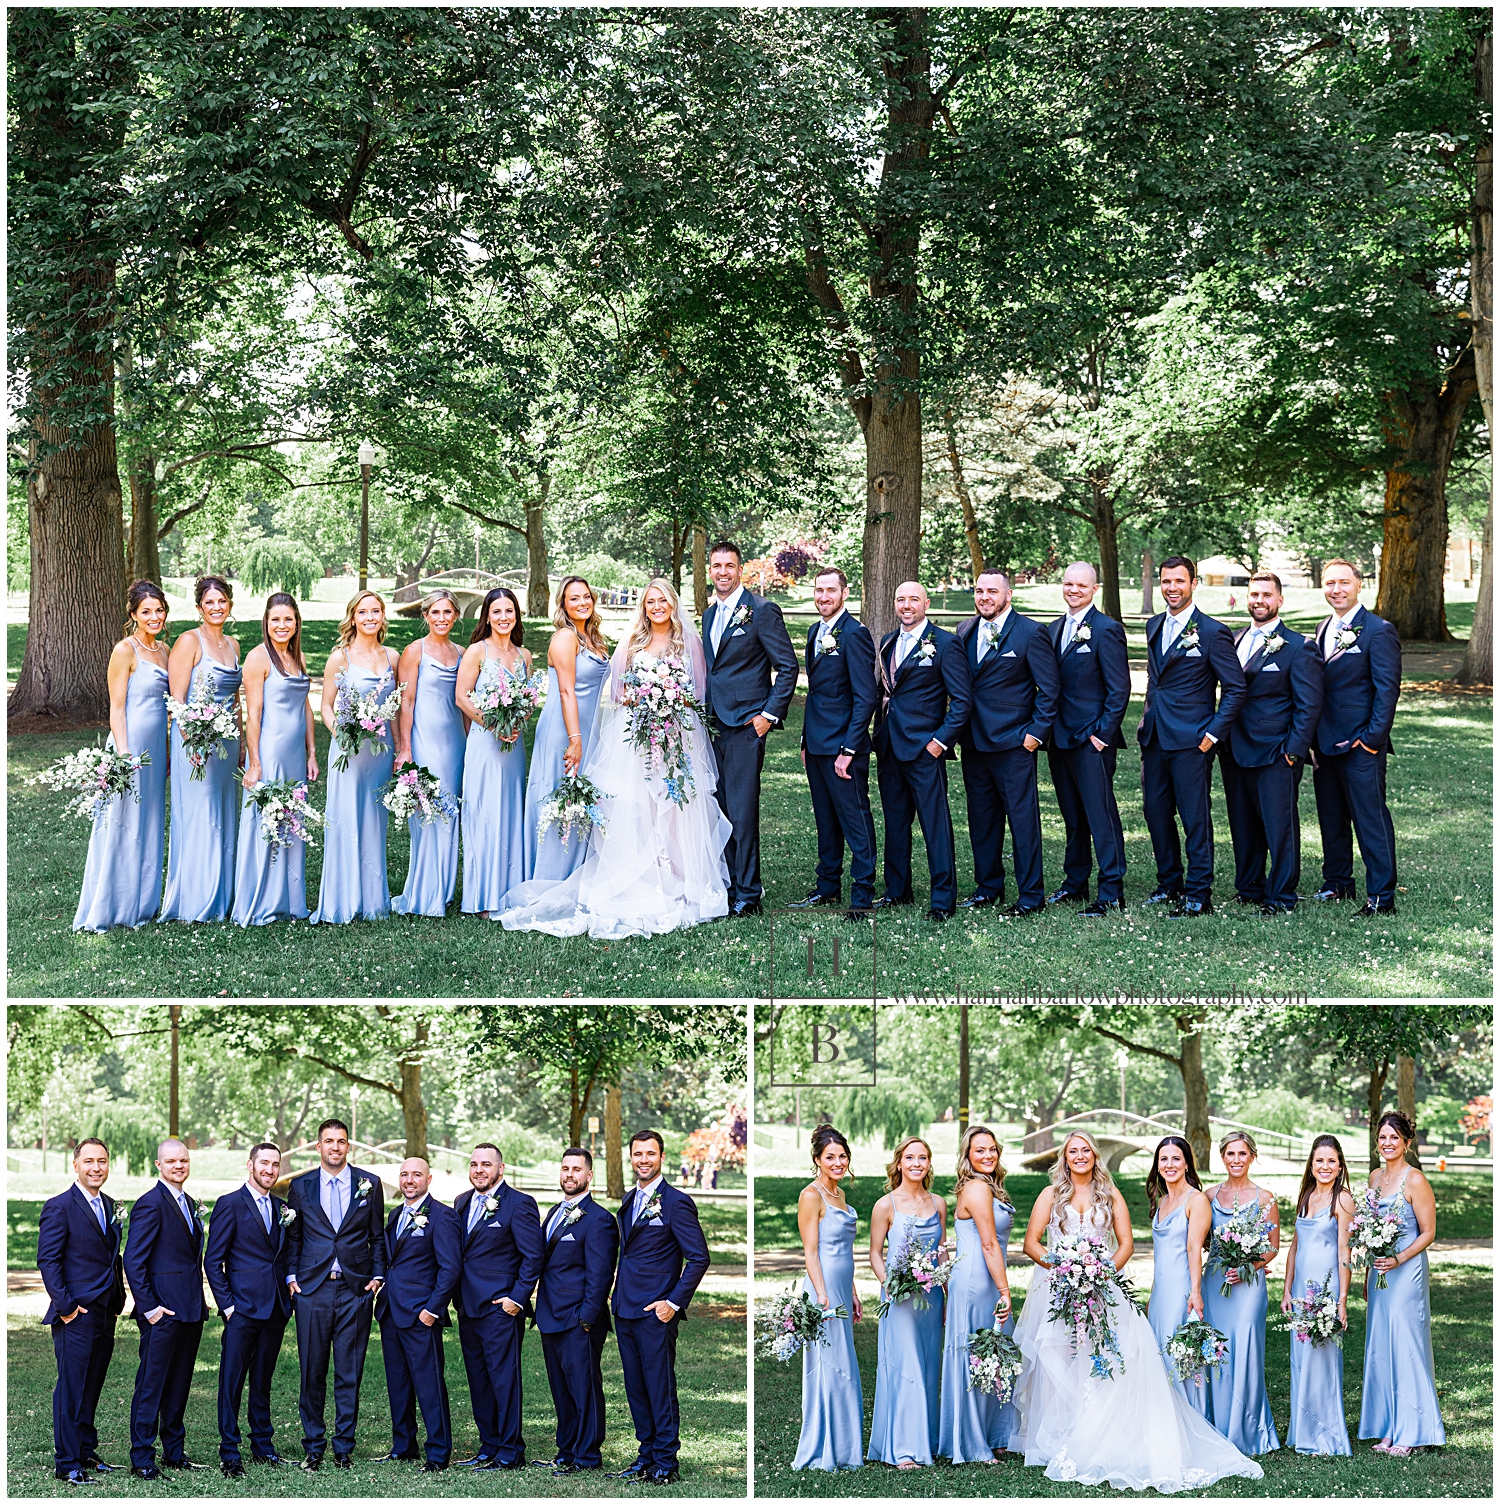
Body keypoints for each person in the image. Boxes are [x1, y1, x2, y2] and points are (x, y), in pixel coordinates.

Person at [1010, 1131, 1262, 1492]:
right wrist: (1064, 1268)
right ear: (1065, 1158)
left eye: (1086, 1151)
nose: (1080, 1156)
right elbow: (1031, 1242)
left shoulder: (1109, 1195)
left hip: (1103, 1284)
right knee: (1061, 1357)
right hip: (1060, 1287)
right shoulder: (1050, 1195)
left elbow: (1125, 1244)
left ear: (1096, 1156)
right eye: (1073, 1152)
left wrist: (1099, 1274)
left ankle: (1098, 1431)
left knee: (1107, 1358)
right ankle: (1059, 1436)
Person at [496, 579, 732, 937]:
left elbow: (697, 693)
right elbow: (619, 691)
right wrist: (648, 697)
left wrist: (668, 701)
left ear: (672, 603)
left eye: (662, 600)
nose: (656, 607)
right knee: (634, 806)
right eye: (650, 601)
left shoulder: (687, 643)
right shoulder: (629, 641)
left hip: (674, 736)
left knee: (675, 807)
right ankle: (638, 875)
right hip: (635, 737)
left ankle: (679, 876)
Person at [1137, 555, 1246, 917]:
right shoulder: (1153, 625)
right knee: (1155, 813)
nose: (1172, 588)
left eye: (1179, 581)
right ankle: (1169, 883)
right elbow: (1158, 681)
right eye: (1166, 581)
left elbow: (1235, 689)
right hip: (1154, 737)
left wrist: (1212, 734)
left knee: (1194, 818)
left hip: (1192, 740)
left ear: (1193, 583)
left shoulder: (1213, 632)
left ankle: (1199, 893)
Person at [953, 568, 1059, 915]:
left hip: (1014, 744)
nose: (985, 597)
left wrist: (1034, 735)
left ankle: (1031, 895)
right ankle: (988, 887)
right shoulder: (965, 630)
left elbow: (1050, 690)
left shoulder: (1030, 633)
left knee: (1022, 821)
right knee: (982, 820)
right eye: (979, 591)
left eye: (992, 591)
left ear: (1008, 595)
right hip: (973, 742)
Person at [283, 1118, 387, 1469]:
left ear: (348, 1146)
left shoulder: (369, 1184)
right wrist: (291, 1276)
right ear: (318, 1146)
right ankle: (314, 1445)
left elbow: (377, 1235)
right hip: (312, 1290)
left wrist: (377, 1275)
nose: (335, 1147)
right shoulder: (300, 1186)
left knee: (349, 1372)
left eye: (341, 1141)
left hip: (355, 1290)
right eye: (329, 1141)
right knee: (312, 1371)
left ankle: (343, 1447)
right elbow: (294, 1236)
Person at [609, 1129, 711, 1485]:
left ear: (662, 1157)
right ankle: (646, 1455)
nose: (643, 1160)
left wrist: (672, 1302)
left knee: (659, 1386)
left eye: (650, 1154)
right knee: (636, 1388)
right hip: (624, 1308)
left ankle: (667, 1462)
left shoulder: (676, 1202)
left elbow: (699, 1258)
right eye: (637, 1154)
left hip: (655, 1312)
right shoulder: (628, 1198)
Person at [702, 540, 798, 915]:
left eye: (729, 565)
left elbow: (787, 667)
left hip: (745, 725)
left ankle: (748, 893)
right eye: (716, 566)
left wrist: (767, 716)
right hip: (714, 725)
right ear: (710, 570)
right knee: (722, 809)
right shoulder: (710, 616)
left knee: (742, 812)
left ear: (741, 569)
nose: (722, 572)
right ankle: (728, 885)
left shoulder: (761, 610)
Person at [1219, 572, 1323, 915]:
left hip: (1275, 750)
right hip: (1234, 748)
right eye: (1253, 594)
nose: (1259, 600)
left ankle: (1281, 896)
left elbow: (1308, 705)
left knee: (1279, 826)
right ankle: (1249, 887)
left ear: (1279, 600)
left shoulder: (1298, 645)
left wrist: (1293, 751)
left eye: (1266, 594)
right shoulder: (1232, 640)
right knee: (1242, 822)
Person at [74, 581, 171, 932]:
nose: (154, 616)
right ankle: (108, 907)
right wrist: (124, 752)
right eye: (146, 611)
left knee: (148, 822)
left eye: (159, 610)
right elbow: (116, 709)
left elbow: (169, 707)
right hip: (129, 750)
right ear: (133, 615)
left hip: (157, 751)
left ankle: (141, 905)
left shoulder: (165, 651)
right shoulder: (124, 650)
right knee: (119, 823)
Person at [872, 581, 972, 920]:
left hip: (924, 750)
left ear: (926, 603)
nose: (906, 605)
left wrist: (938, 742)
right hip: (888, 747)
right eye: (900, 599)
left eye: (913, 599)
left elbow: (961, 701)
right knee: (895, 823)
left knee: (935, 826)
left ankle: (943, 900)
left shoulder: (945, 644)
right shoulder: (887, 642)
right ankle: (897, 890)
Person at [1310, 560, 1402, 915]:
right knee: (1331, 818)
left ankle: (1381, 896)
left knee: (1370, 819)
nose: (1336, 590)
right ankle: (1337, 883)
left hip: (1360, 744)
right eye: (1330, 583)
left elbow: (1386, 689)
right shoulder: (1322, 628)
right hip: (1324, 743)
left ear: (1359, 585)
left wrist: (1372, 739)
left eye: (1343, 583)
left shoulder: (1378, 630)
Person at [789, 567, 878, 919]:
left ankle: (862, 895)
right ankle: (827, 887)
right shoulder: (814, 631)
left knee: (855, 820)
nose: (823, 597)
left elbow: (865, 697)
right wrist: (805, 740)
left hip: (844, 747)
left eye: (830, 590)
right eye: (819, 590)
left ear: (844, 593)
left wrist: (849, 749)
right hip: (817, 744)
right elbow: (816, 694)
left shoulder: (855, 635)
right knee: (826, 821)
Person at [37, 1138, 127, 1485]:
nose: (96, 1167)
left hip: (105, 1311)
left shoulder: (109, 1205)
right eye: (89, 1161)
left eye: (102, 1161)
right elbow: (48, 1260)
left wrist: (116, 1301)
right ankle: (67, 1462)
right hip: (75, 1313)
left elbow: (110, 1257)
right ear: (75, 1165)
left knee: (92, 1386)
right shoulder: (59, 1206)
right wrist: (68, 1308)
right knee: (71, 1389)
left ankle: (86, 1451)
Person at [515, 577, 612, 891]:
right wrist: (575, 739)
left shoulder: (593, 638)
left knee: (580, 804)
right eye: (574, 599)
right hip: (564, 732)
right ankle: (549, 881)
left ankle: (577, 879)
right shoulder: (564, 638)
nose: (582, 602)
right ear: (563, 605)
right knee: (560, 801)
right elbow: (566, 691)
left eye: (586, 596)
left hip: (586, 730)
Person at [1045, 562, 1130, 916]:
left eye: (1081, 585)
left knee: (1101, 816)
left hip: (1091, 739)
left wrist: (1102, 736)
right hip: (1058, 738)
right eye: (1068, 584)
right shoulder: (1052, 629)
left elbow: (1119, 688)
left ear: (1094, 589)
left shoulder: (1106, 629)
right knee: (1072, 816)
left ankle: (1111, 890)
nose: (1073, 590)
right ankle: (1075, 883)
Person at [451, 1143, 543, 1470]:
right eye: (474, 1164)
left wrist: (516, 1299)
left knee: (504, 1381)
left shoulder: (519, 1204)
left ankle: (509, 1450)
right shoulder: (461, 1202)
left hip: (500, 1309)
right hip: (466, 1307)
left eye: (486, 1164)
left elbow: (534, 1256)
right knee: (478, 1381)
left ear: (500, 1169)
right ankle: (488, 1445)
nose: (479, 1169)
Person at [310, 592, 400, 924]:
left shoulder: (393, 656)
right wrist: (341, 733)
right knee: (346, 818)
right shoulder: (340, 657)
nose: (370, 617)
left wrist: (400, 748)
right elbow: (326, 707)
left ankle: (373, 899)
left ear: (382, 616)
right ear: (352, 617)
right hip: (349, 750)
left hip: (380, 751)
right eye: (363, 612)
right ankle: (341, 899)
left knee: (375, 821)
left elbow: (397, 707)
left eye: (375, 611)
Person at [1358, 1111, 1445, 1455]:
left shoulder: (1416, 1180)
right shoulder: (1374, 1177)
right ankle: (1390, 1429)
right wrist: (1369, 1272)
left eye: (1394, 1137)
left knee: (1406, 1344)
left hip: (1406, 1272)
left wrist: (1399, 1258)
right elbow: (1368, 1231)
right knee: (1382, 1345)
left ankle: (1412, 1430)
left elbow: (1429, 1232)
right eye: (1382, 1137)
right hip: (1379, 1273)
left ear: (1407, 1143)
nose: (1387, 1143)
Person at [205, 1142, 293, 1475]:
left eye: (275, 1165)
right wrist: (227, 1307)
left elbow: (282, 1257)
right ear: (250, 1165)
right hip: (241, 1310)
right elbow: (213, 1261)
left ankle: (262, 1445)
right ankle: (229, 1451)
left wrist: (289, 1299)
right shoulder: (230, 1204)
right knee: (232, 1382)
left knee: (262, 1380)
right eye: (264, 1164)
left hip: (275, 1309)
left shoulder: (282, 1208)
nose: (270, 1170)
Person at [123, 1138, 209, 1478]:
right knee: (151, 1385)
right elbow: (133, 1259)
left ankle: (174, 1452)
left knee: (179, 1386)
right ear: (158, 1165)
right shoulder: (150, 1203)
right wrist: (150, 1308)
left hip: (190, 1310)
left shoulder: (188, 1202)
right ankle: (142, 1457)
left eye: (184, 1161)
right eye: (171, 1161)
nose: (179, 1166)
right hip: (162, 1314)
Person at [159, 576, 242, 923]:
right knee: (201, 815)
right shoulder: (188, 642)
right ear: (199, 608)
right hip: (195, 741)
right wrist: (191, 738)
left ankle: (223, 894)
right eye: (210, 602)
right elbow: (176, 700)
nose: (216, 607)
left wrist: (239, 741)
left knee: (224, 814)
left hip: (227, 741)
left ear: (230, 605)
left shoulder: (234, 645)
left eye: (222, 601)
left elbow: (236, 697)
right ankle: (197, 900)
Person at [533, 1147, 620, 1476]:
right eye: (565, 1169)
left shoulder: (599, 1220)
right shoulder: (555, 1211)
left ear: (589, 1176)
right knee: (561, 1389)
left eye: (576, 1170)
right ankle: (566, 1450)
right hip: (550, 1316)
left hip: (578, 1320)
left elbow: (600, 1275)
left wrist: (586, 1318)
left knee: (584, 1389)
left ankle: (587, 1456)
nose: (570, 1175)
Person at [233, 594, 319, 926]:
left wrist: (312, 753)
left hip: (296, 754)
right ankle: (258, 903)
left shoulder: (297, 656)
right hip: (269, 751)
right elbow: (253, 716)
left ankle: (290, 902)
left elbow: (306, 708)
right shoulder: (258, 659)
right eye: (275, 620)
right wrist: (254, 762)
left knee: (291, 823)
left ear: (296, 623)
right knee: (264, 823)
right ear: (265, 623)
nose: (281, 626)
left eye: (288, 619)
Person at [374, 1159, 461, 1471]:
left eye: (416, 1175)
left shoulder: (442, 1217)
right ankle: (403, 1445)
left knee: (429, 1385)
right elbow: (391, 1258)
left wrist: (432, 1310)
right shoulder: (396, 1214)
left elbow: (450, 1268)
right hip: (390, 1312)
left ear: (429, 1178)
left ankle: (438, 1452)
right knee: (398, 1384)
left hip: (421, 1314)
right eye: (404, 1175)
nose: (409, 1181)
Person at [938, 1126, 1018, 1462]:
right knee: (975, 1353)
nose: (987, 1156)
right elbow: (987, 1243)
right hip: (976, 1281)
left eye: (992, 1150)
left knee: (996, 1350)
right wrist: (1004, 1289)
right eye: (979, 1151)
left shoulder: (991, 1188)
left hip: (987, 1275)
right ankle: (971, 1442)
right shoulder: (976, 1188)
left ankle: (995, 1434)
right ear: (967, 1156)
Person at [867, 1137, 946, 1468]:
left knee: (928, 1368)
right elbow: (874, 1252)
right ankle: (902, 1449)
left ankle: (925, 1441)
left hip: (932, 1297)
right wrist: (889, 1284)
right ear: (899, 1163)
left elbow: (941, 1250)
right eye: (910, 1157)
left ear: (929, 1163)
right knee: (906, 1366)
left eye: (923, 1157)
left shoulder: (939, 1203)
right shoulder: (886, 1205)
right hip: (899, 1298)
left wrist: (947, 1289)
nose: (917, 1163)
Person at [1202, 1131, 1281, 1455]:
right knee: (1215, 1348)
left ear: (1252, 1157)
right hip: (1215, 1283)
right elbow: (1203, 1240)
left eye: (1242, 1154)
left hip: (1248, 1287)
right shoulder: (1208, 1195)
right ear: (1223, 1157)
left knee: (1245, 1350)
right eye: (1230, 1154)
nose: (1236, 1160)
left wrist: (1248, 1263)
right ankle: (1216, 1425)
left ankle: (1247, 1430)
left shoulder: (1265, 1198)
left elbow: (1273, 1247)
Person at [457, 588, 534, 917]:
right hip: (484, 743)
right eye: (497, 611)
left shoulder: (525, 656)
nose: (504, 617)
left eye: (510, 611)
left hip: (512, 746)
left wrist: (518, 719)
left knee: (510, 812)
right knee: (485, 814)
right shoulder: (477, 651)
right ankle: (483, 898)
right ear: (487, 616)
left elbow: (528, 701)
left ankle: (510, 892)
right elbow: (462, 696)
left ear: (516, 615)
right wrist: (492, 724)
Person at [791, 1126, 863, 1472]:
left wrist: (852, 1291)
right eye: (830, 1157)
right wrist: (822, 1296)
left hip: (841, 1287)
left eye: (842, 1156)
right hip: (821, 1292)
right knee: (827, 1366)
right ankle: (824, 1448)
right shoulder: (812, 1196)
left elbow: (844, 1251)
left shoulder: (840, 1196)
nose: (838, 1162)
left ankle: (846, 1448)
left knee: (844, 1365)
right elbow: (811, 1252)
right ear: (817, 1160)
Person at [392, 591, 466, 916]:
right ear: (425, 615)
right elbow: (404, 703)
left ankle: (444, 891)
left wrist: (469, 741)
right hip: (424, 739)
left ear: (456, 616)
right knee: (428, 812)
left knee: (451, 812)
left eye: (447, 612)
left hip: (455, 742)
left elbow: (464, 701)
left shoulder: (463, 653)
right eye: (435, 612)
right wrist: (405, 747)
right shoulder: (414, 651)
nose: (441, 618)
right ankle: (424, 893)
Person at [1282, 1135, 1354, 1456]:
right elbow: (1295, 1247)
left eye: (1331, 1161)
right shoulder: (1307, 1195)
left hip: (1325, 1289)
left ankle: (1325, 1436)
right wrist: (1286, 1288)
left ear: (1340, 1167)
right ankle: (1303, 1431)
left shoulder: (1343, 1200)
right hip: (1300, 1291)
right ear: (1311, 1165)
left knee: (1322, 1360)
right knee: (1301, 1358)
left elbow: (1343, 1252)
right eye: (1319, 1161)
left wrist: (1342, 1300)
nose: (1325, 1167)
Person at [1143, 1137, 1213, 1417]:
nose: (1169, 1164)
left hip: (1183, 1291)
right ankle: (1166, 1426)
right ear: (1157, 1165)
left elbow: (1194, 1248)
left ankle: (1192, 1423)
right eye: (1163, 1159)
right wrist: (1152, 1294)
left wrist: (1195, 1291)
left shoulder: (1196, 1200)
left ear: (1186, 1164)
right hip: (1161, 1294)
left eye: (1175, 1158)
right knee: (1160, 1360)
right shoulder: (1161, 1201)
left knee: (1182, 1358)